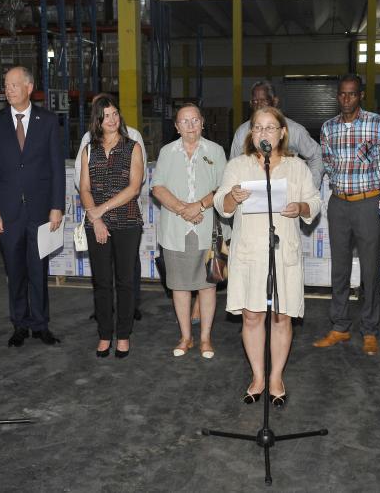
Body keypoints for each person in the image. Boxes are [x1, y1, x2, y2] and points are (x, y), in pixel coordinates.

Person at [214, 106, 321, 406]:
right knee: (252, 315)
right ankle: (258, 376)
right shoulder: (238, 165)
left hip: (282, 251)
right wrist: (232, 197)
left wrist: (301, 208)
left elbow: (314, 202)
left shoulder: (297, 167)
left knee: (281, 315)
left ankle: (276, 377)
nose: (263, 133)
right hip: (249, 252)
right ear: (251, 134)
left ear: (282, 132)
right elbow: (221, 204)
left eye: (270, 127)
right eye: (258, 128)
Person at [313, 74, 380, 356]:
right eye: (342, 94)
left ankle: (370, 330)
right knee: (339, 269)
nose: (346, 99)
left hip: (368, 204)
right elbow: (327, 163)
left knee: (370, 270)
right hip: (339, 204)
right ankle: (340, 326)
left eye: (351, 93)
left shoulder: (378, 123)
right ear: (337, 96)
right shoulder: (328, 127)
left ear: (361, 95)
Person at [0, 66, 65, 348]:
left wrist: (57, 206)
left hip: (40, 210)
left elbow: (56, 167)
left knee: (38, 270)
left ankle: (40, 324)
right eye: (6, 85)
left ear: (29, 88)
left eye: (14, 85)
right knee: (15, 270)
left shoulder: (48, 120)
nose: (8, 90)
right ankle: (19, 324)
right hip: (7, 212)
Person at [152, 103, 226, 359]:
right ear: (176, 126)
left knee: (207, 287)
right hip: (176, 230)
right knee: (180, 287)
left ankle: (205, 338)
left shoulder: (215, 151)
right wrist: (183, 209)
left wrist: (200, 206)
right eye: (184, 121)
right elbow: (157, 187)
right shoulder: (166, 152)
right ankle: (186, 337)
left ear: (202, 123)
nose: (190, 125)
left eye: (195, 120)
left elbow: (224, 188)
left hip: (208, 231)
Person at [79, 94, 144, 359]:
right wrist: (96, 220)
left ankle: (124, 335)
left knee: (125, 281)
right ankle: (105, 334)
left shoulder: (133, 147)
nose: (112, 119)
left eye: (115, 113)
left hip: (127, 222)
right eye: (106, 115)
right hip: (97, 225)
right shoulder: (88, 149)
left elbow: (134, 188)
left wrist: (101, 210)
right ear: (97, 120)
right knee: (102, 282)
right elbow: (84, 188)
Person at [229, 80, 323, 189]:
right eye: (254, 101)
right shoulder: (242, 132)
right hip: (253, 193)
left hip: (288, 193)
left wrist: (311, 186)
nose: (258, 105)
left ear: (275, 101)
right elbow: (233, 165)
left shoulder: (293, 130)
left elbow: (316, 154)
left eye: (263, 100)